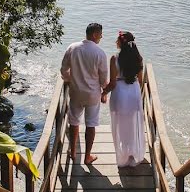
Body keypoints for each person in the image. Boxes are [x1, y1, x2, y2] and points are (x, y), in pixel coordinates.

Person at [60, 23, 108, 164]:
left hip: (75, 92)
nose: (101, 36)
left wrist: (69, 79)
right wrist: (104, 92)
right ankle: (87, 156)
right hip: (92, 94)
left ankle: (73, 151)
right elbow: (103, 77)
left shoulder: (72, 48)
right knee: (91, 124)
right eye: (100, 34)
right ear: (94, 34)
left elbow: (63, 69)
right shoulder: (100, 53)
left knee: (74, 121)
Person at [102, 31, 147, 167]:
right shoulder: (138, 58)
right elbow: (140, 80)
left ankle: (123, 156)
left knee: (120, 125)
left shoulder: (114, 59)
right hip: (133, 92)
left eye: (117, 40)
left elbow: (113, 83)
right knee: (133, 124)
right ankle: (133, 154)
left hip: (120, 93)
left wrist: (103, 93)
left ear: (121, 43)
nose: (115, 42)